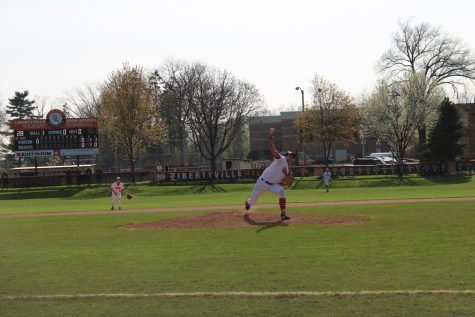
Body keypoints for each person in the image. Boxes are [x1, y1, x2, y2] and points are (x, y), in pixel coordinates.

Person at [245, 128, 296, 221]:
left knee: (281, 191)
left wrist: (285, 184)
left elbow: (281, 183)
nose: (291, 157)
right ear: (286, 155)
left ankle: (283, 214)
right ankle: (248, 203)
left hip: (272, 185)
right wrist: (270, 140)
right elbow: (273, 150)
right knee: (252, 203)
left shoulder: (287, 171)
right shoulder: (281, 159)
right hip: (262, 183)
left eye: (293, 156)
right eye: (290, 155)